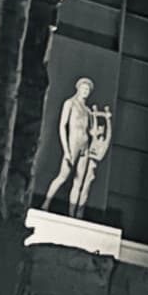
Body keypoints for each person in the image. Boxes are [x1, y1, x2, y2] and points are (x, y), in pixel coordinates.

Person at [43, 76, 112, 213]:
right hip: (73, 143)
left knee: (79, 181)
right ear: (78, 88)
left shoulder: (87, 111)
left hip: (84, 146)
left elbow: (92, 130)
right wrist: (66, 150)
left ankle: (72, 213)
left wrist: (102, 127)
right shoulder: (70, 103)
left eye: (88, 89)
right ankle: (46, 203)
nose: (86, 91)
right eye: (84, 88)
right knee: (63, 176)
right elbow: (62, 126)